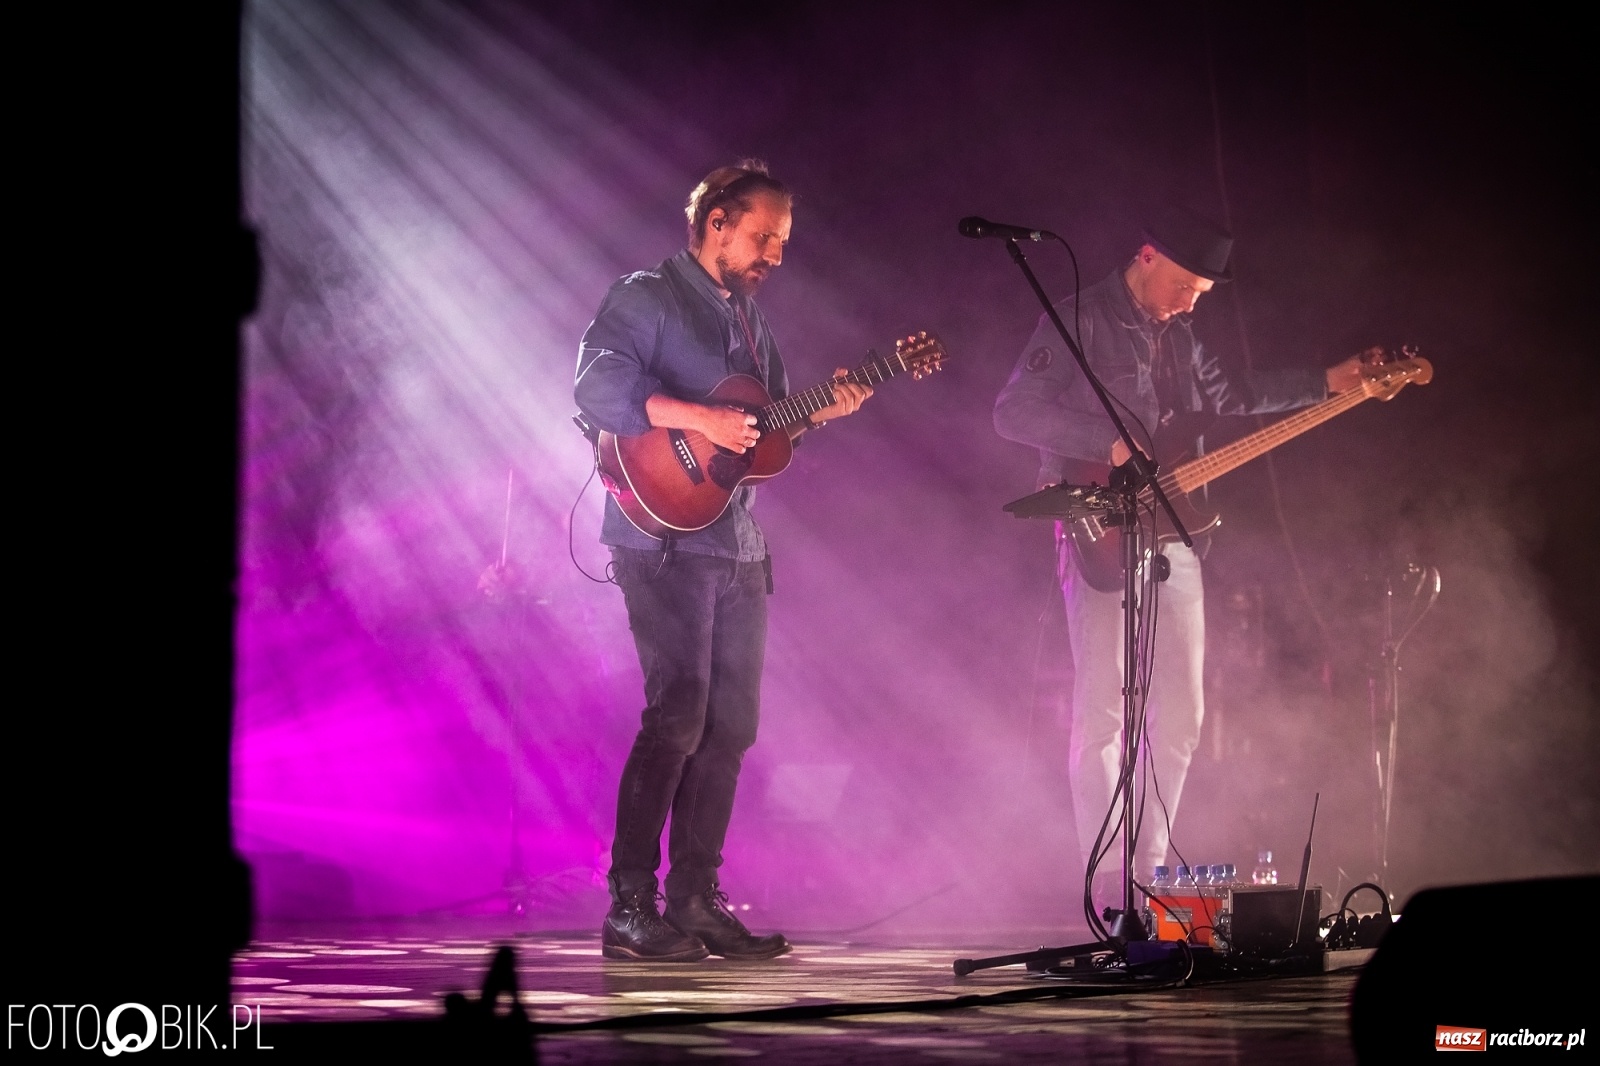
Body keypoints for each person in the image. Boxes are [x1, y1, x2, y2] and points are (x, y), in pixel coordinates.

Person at [992, 208, 1363, 890]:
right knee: (1103, 710)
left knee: (1184, 714)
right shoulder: (1078, 318)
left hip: (1175, 529)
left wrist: (1328, 382)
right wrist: (1103, 442)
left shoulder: (1180, 337)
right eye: (1186, 286)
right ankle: (1107, 882)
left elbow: (1232, 394)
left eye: (1203, 293)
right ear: (1148, 256)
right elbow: (1013, 411)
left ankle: (1150, 873)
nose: (1191, 302)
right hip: (1100, 528)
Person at [574, 162, 872, 960]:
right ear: (716, 223)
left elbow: (764, 438)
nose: (775, 253)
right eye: (763, 236)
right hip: (662, 540)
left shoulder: (750, 320)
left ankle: (695, 900)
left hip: (736, 544)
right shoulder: (647, 295)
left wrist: (822, 411)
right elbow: (596, 387)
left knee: (731, 727)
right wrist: (697, 416)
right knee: (677, 715)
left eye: (782, 240)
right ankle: (629, 905)